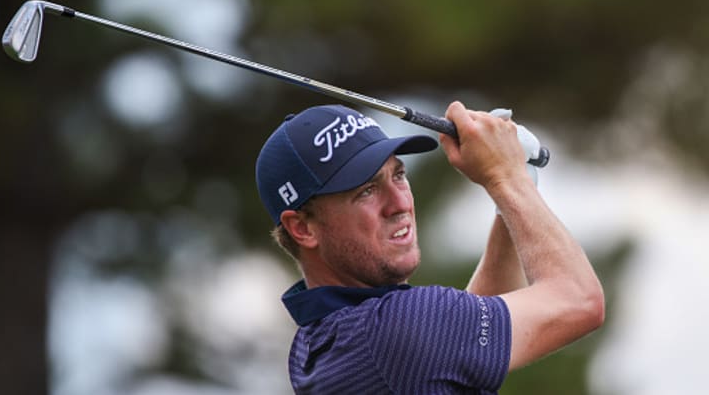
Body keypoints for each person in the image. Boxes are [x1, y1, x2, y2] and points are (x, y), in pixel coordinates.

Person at [255, 102, 604, 394]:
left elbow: (463, 334)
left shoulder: (315, 344)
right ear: (302, 228)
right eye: (366, 191)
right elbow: (579, 301)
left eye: (398, 175)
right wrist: (506, 177)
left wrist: (512, 198)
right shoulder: (391, 331)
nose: (399, 203)